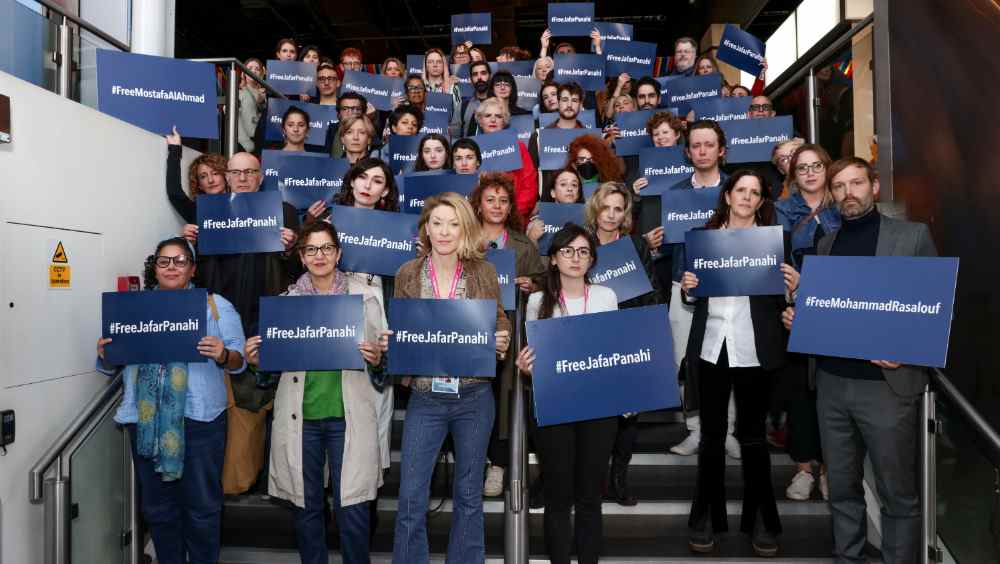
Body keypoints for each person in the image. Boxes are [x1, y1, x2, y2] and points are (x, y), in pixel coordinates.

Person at [782, 157, 936, 564]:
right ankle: (847, 557)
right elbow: (830, 310)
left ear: (875, 187)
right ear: (831, 196)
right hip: (831, 384)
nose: (848, 193)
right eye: (839, 187)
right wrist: (802, 317)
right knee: (844, 490)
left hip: (886, 387)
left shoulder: (912, 237)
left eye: (856, 184)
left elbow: (938, 309)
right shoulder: (825, 246)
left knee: (897, 493)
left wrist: (907, 348)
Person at [244, 221, 388, 564]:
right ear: (301, 256)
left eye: (326, 248)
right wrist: (256, 361)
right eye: (310, 249)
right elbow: (267, 378)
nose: (319, 255)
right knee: (306, 509)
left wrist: (379, 360)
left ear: (338, 253)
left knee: (352, 511)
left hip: (348, 417)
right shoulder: (284, 305)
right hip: (301, 419)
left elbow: (385, 369)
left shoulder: (366, 299)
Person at [96, 237, 246, 564]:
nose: (172, 267)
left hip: (200, 421)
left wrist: (223, 355)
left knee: (202, 509)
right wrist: (107, 354)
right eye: (164, 261)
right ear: (155, 267)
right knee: (159, 510)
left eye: (180, 261)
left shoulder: (216, 306)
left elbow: (241, 361)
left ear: (192, 268)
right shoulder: (134, 309)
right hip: (145, 421)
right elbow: (112, 365)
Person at [391, 193, 511, 564]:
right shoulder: (407, 273)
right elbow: (402, 330)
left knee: (469, 496)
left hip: (473, 398)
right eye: (437, 223)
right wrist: (393, 342)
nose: (444, 231)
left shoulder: (484, 272)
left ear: (465, 229)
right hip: (426, 398)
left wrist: (501, 337)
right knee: (411, 496)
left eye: (453, 223)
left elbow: (500, 318)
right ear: (426, 228)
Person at [682, 170, 797, 557]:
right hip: (713, 346)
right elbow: (692, 300)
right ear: (727, 195)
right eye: (740, 190)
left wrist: (791, 286)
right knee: (712, 438)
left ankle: (762, 520)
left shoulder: (776, 242)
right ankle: (704, 518)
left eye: (755, 193)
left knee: (752, 437)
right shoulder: (704, 240)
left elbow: (786, 303)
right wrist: (689, 290)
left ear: (762, 201)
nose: (747, 197)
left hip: (756, 350)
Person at [515, 223, 619, 564]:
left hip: (598, 407)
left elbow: (616, 353)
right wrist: (527, 367)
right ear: (554, 259)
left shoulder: (606, 297)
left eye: (583, 251)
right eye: (568, 251)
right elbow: (535, 358)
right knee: (559, 496)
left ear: (592, 260)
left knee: (589, 495)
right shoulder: (537, 302)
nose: (576, 258)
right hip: (554, 406)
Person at [655, 120, 739, 459]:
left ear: (721, 150)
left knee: (728, 359)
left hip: (730, 287)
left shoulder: (738, 188)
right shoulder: (675, 194)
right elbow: (668, 245)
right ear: (687, 152)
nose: (702, 151)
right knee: (686, 361)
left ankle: (727, 430)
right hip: (682, 283)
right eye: (696, 146)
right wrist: (653, 243)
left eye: (709, 145)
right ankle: (695, 430)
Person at [584, 182, 663, 506]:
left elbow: (652, 291)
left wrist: (650, 332)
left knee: (628, 417)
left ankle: (619, 478)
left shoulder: (635, 246)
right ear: (595, 208)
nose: (612, 214)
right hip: (589, 339)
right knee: (594, 416)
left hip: (629, 336)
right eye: (607, 207)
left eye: (619, 208)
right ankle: (595, 478)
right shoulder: (581, 243)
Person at [468, 173, 546, 497]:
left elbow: (543, 280)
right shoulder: (466, 240)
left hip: (510, 329)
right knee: (472, 392)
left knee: (504, 395)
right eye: (491, 200)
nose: (497, 206)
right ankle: (473, 461)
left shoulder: (522, 243)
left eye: (503, 200)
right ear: (479, 205)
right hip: (470, 325)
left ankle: (498, 465)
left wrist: (531, 284)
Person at [773, 144, 839, 503]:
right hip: (795, 310)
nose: (811, 173)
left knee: (830, 393)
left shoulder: (843, 207)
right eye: (802, 168)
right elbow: (777, 261)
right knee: (799, 390)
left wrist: (808, 282)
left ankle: (831, 469)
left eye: (817, 166)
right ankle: (804, 469)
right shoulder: (782, 210)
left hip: (840, 308)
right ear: (793, 176)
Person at [472, 97, 539, 221]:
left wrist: (513, 213)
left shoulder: (518, 147)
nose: (493, 119)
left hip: (512, 219)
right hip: (477, 220)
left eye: (498, 116)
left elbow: (529, 185)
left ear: (504, 121)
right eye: (488, 115)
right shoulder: (471, 148)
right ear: (480, 121)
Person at [164, 127, 227, 227]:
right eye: (203, 176)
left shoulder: (241, 205)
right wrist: (175, 149)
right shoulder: (196, 211)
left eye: (215, 173)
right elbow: (174, 193)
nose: (210, 180)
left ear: (225, 176)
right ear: (199, 185)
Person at [526, 167, 586, 244]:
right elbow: (527, 255)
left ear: (578, 194)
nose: (570, 188)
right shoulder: (536, 222)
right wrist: (532, 238)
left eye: (574, 185)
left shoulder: (587, 222)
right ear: (553, 193)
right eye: (563, 184)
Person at [629, 111, 684, 194]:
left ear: (677, 134)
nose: (660, 137)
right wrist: (636, 193)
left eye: (665, 132)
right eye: (656, 134)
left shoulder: (690, 158)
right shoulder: (644, 166)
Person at [423, 48, 463, 135]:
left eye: (439, 62)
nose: (435, 65)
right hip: (423, 136)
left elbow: (457, 118)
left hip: (446, 136)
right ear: (426, 66)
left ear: (444, 64)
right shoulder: (420, 89)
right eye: (430, 62)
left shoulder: (453, 88)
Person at [238, 58, 266, 153]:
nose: (253, 71)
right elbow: (236, 121)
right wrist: (246, 143)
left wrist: (262, 102)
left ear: (262, 73)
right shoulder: (239, 93)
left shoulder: (266, 94)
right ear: (244, 73)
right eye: (249, 68)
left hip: (263, 140)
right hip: (246, 142)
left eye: (257, 69)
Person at [460, 60, 493, 136]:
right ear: (471, 80)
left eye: (483, 73)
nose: (479, 78)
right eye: (475, 74)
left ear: (490, 76)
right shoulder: (463, 105)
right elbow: (455, 136)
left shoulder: (499, 104)